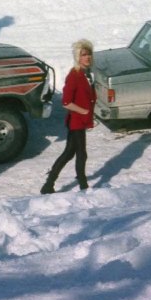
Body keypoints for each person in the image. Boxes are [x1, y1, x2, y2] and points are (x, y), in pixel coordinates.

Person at [41, 39, 97, 194]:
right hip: (76, 122)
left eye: (89, 54)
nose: (87, 57)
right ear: (77, 57)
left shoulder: (87, 75)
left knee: (68, 153)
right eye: (84, 54)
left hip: (80, 121)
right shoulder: (74, 75)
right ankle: (83, 186)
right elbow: (66, 102)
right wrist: (84, 111)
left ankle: (48, 184)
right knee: (81, 154)